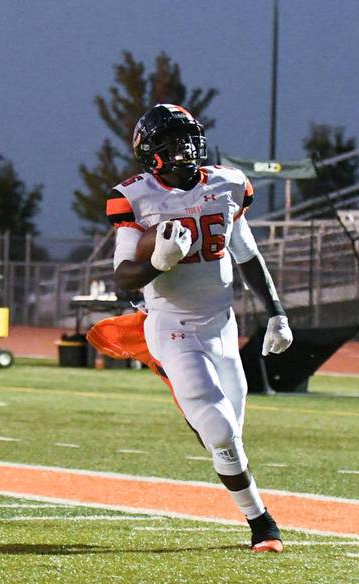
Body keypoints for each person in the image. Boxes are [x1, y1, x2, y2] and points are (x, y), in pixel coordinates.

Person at [103, 104, 293, 552]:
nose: (184, 147)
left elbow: (246, 256)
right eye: (171, 140)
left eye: (188, 137)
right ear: (150, 152)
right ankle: (261, 522)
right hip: (173, 327)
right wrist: (157, 261)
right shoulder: (136, 196)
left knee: (229, 434)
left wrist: (277, 312)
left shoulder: (227, 184)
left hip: (222, 325)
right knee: (220, 429)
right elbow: (123, 277)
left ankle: (206, 427)